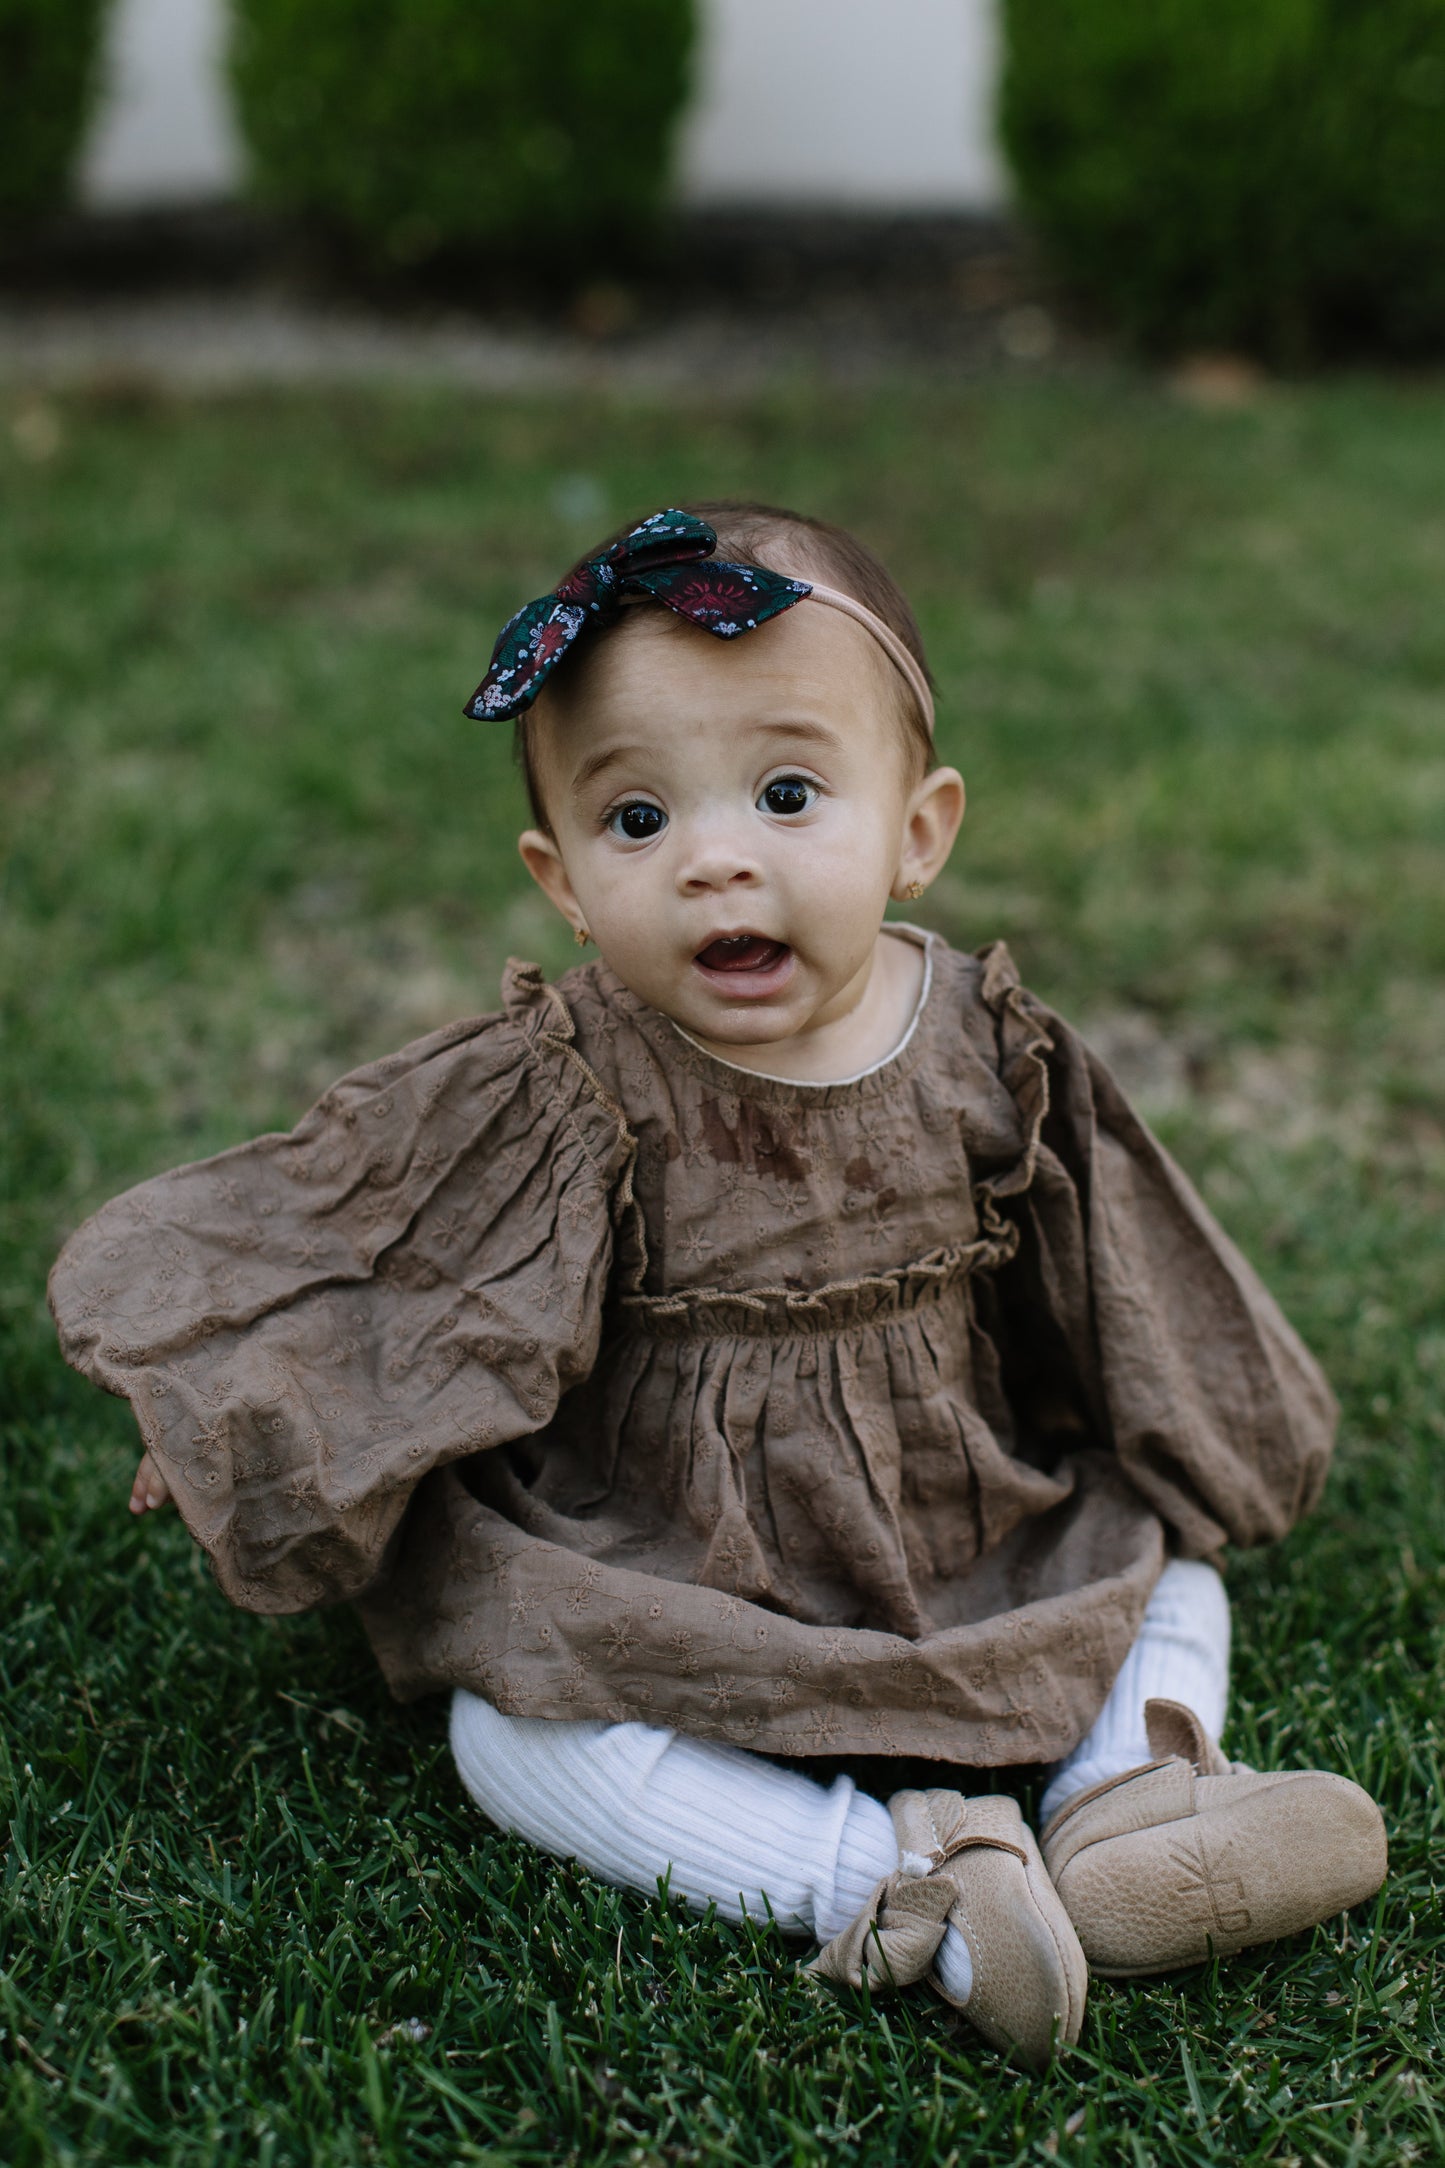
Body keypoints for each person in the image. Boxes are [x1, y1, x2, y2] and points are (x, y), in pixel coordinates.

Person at [50, 502, 1387, 2069]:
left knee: (1161, 1558)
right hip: (664, 1549)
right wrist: (238, 1399)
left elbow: (1118, 1259)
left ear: (917, 827)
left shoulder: (987, 1042)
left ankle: (1133, 1805)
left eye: (788, 792)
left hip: (961, 1512)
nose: (714, 858)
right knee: (515, 1730)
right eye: (636, 822)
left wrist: (1206, 1433)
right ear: (557, 875)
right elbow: (377, 1247)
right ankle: (908, 1882)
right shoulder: (559, 1080)